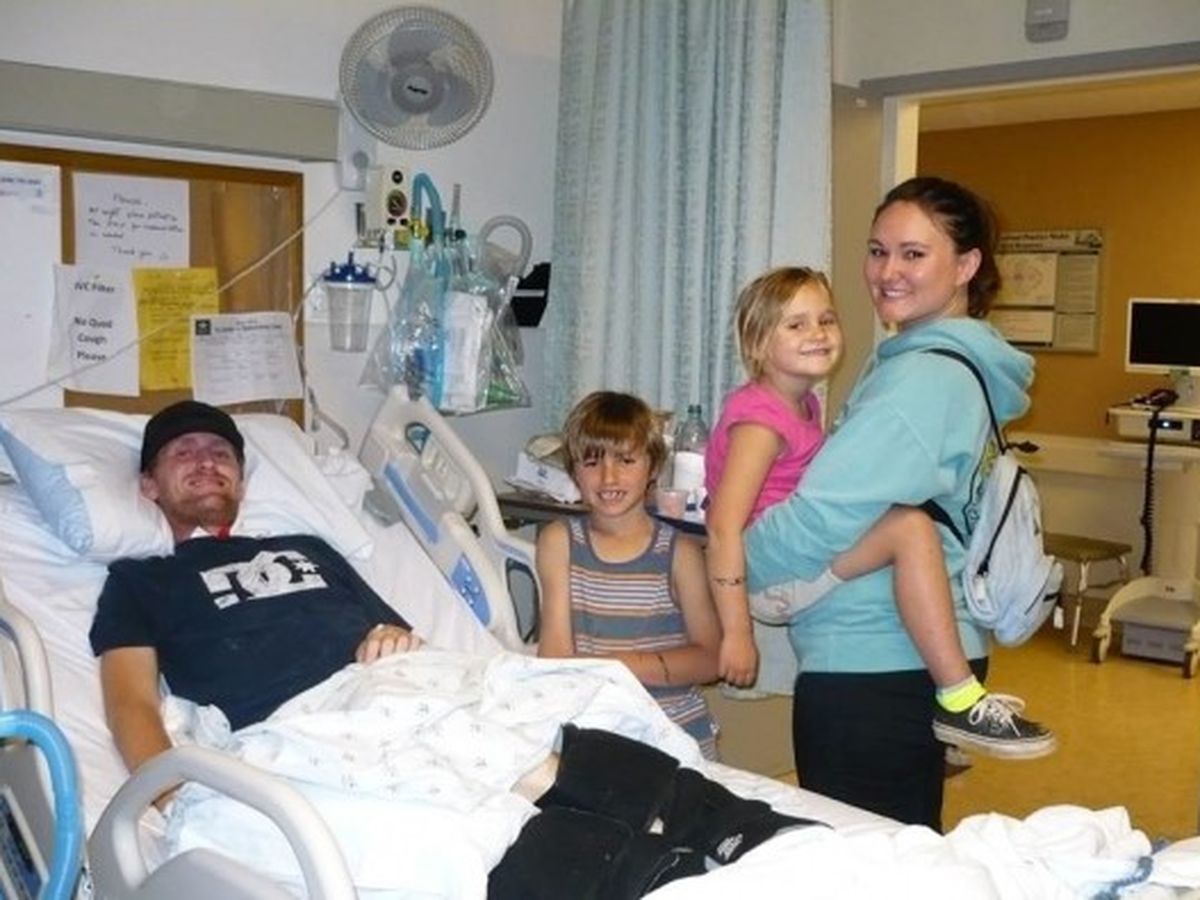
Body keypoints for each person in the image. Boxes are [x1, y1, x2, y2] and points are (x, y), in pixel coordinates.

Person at [743, 177, 1054, 831]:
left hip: (874, 660)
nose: (888, 272)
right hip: (914, 652)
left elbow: (822, 515)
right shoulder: (935, 364)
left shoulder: (922, 379)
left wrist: (737, 559)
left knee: (867, 857)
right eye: (878, 250)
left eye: (914, 254)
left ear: (966, 265)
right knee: (904, 843)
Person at [704, 265, 1053, 762]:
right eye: (796, 324)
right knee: (909, 529)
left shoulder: (802, 407)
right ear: (757, 343)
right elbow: (723, 527)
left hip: (792, 566)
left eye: (826, 319)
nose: (817, 333)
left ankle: (932, 720)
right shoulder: (760, 420)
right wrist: (737, 632)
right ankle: (958, 697)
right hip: (769, 572)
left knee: (902, 524)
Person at [89, 400, 423, 778]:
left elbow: (403, 639)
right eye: (184, 453)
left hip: (391, 696)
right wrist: (169, 795)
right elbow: (131, 705)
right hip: (294, 738)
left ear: (241, 485)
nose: (206, 462)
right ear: (149, 485)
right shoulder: (139, 580)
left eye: (221, 454)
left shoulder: (310, 548)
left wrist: (391, 637)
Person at [536, 391, 723, 760]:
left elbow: (711, 659)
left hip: (674, 733)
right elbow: (554, 658)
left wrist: (617, 665)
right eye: (592, 462)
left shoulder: (679, 554)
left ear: (653, 467)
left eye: (626, 460)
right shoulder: (559, 542)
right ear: (573, 471)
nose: (609, 477)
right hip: (595, 726)